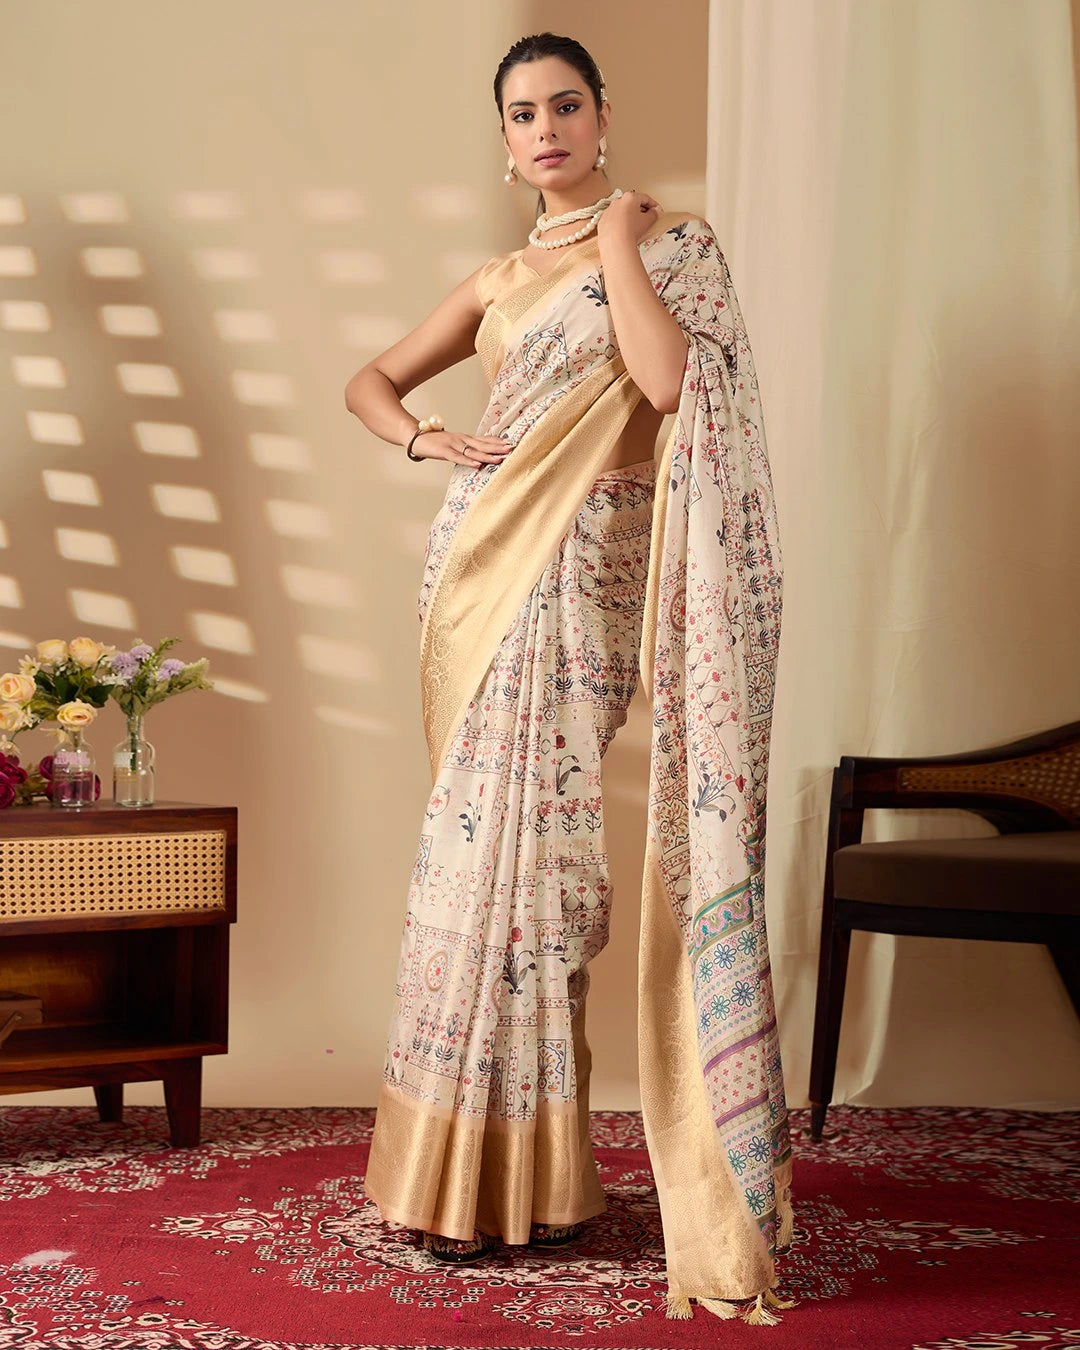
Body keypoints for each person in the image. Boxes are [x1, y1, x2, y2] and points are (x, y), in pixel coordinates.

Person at [344, 31, 795, 1328]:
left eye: (565, 106)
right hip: (482, 580)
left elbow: (665, 381)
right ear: (504, 141)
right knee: (475, 871)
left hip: (591, 587)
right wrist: (430, 436)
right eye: (522, 115)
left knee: (543, 882)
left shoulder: (671, 251)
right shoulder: (494, 277)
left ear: (603, 117)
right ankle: (454, 1180)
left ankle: (534, 1177)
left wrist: (614, 245)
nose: (544, 129)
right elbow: (368, 382)